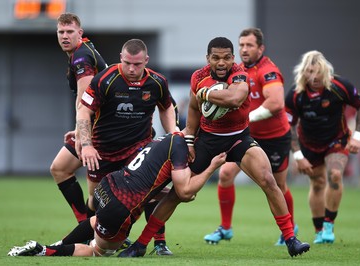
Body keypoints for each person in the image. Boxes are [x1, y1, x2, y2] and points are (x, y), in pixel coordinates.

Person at [120, 37, 310, 258]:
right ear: (207, 58)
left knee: (268, 180)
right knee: (177, 193)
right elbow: (193, 110)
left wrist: (207, 94)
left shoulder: (239, 74)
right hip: (208, 141)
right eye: (216, 58)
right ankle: (141, 244)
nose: (222, 63)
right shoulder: (198, 77)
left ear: (233, 58)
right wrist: (189, 141)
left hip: (239, 138)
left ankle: (290, 240)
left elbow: (235, 98)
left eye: (227, 58)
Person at [7, 133, 228, 257]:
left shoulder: (167, 138)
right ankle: (43, 250)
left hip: (108, 185)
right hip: (120, 205)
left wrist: (167, 194)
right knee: (99, 251)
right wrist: (212, 167)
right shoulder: (181, 150)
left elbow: (150, 181)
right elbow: (186, 191)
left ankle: (58, 243)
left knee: (96, 221)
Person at [75, 38, 177, 254]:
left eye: (137, 64)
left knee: (149, 193)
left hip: (138, 149)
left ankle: (159, 243)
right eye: (128, 63)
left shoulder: (157, 82)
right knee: (95, 201)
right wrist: (86, 145)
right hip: (103, 151)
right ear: (121, 58)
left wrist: (174, 132)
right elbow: (84, 110)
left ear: (146, 60)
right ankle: (87, 238)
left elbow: (166, 107)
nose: (132, 69)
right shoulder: (105, 79)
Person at [203, 28, 296, 246]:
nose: (245, 49)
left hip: (274, 136)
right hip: (247, 135)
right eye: (242, 45)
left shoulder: (268, 71)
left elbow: (275, 103)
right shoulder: (236, 70)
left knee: (277, 185)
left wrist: (246, 117)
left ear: (260, 48)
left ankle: (289, 231)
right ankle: (225, 228)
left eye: (250, 45)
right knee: (225, 174)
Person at [284, 50, 360, 244]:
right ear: (303, 72)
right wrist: (298, 156)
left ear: (324, 71)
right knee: (318, 183)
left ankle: (329, 225)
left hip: (336, 140)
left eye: (316, 71)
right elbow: (289, 125)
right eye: (308, 72)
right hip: (309, 145)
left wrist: (357, 136)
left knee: (335, 175)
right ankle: (319, 230)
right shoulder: (296, 94)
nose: (313, 76)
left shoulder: (340, 86)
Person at [50, 13, 108, 224]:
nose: (64, 36)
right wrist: (78, 129)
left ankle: (94, 229)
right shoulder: (85, 48)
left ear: (80, 33)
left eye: (69, 32)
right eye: (61, 32)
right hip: (98, 123)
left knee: (95, 188)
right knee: (60, 168)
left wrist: (83, 136)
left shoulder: (82, 57)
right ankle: (88, 226)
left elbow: (85, 101)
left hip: (103, 128)